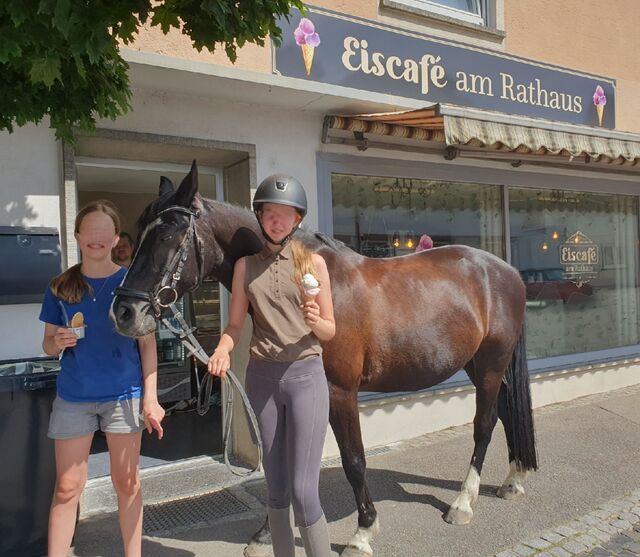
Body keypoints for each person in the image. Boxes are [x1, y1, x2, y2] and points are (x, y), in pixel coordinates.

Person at [208, 175, 336, 557]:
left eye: (285, 214)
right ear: (260, 217)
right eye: (270, 213)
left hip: (306, 377)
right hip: (262, 378)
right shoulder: (245, 267)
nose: (277, 221)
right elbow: (235, 325)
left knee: (303, 491)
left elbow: (330, 330)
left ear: (297, 220)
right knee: (276, 488)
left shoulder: (313, 263)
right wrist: (223, 349)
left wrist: (316, 321)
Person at [40, 200, 165, 557]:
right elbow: (47, 346)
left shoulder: (132, 283)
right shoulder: (61, 286)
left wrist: (151, 398)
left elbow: (147, 345)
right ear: (77, 236)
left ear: (115, 238)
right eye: (89, 231)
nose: (96, 237)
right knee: (67, 487)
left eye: (103, 231)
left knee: (127, 482)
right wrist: (57, 341)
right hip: (74, 397)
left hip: (124, 395)